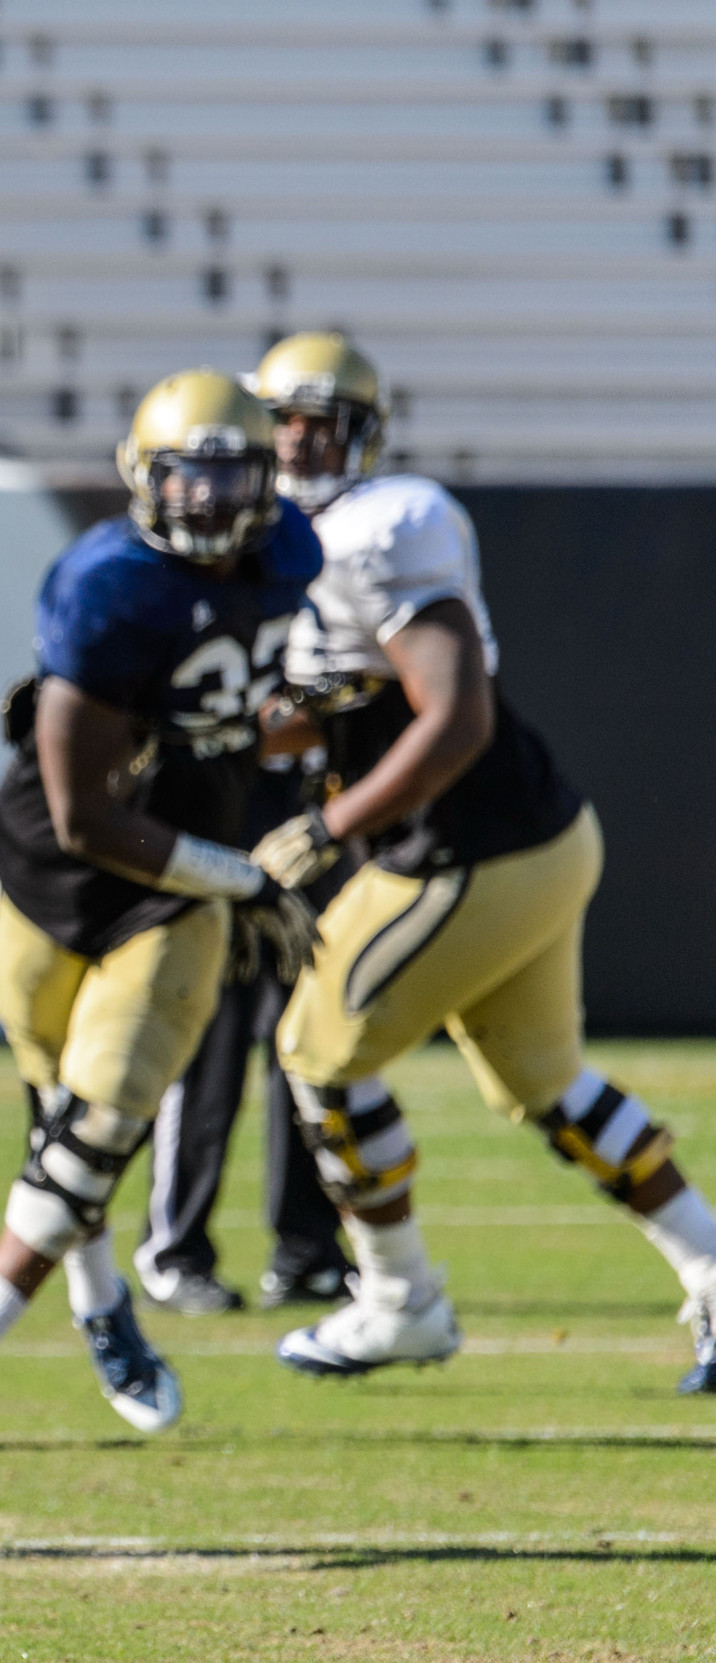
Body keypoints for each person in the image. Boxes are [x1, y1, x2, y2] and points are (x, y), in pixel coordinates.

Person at [248, 333, 716, 1390]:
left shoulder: (383, 526)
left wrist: (329, 826)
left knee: (318, 1052)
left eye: (317, 419)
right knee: (546, 1086)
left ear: (361, 432)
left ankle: (398, 1297)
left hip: (466, 849)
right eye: (279, 417)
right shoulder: (284, 543)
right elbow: (328, 707)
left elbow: (454, 718)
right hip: (529, 837)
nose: (295, 440)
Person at [0, 371, 322, 1436]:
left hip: (166, 905)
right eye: (192, 471)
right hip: (54, 876)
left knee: (96, 1127)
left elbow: (261, 700)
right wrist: (245, 875)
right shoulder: (106, 584)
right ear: (143, 477)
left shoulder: (292, 560)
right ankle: (105, 1309)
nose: (214, 498)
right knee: (61, 1127)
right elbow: (84, 816)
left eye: (234, 468)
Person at [133, 754, 354, 1316]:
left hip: (308, 805)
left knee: (310, 1046)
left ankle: (307, 1251)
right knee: (209, 1039)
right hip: (225, 795)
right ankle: (174, 1252)